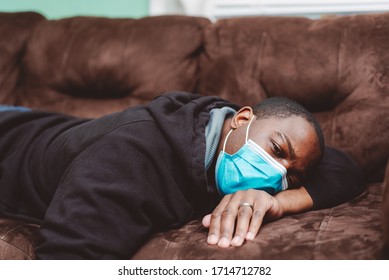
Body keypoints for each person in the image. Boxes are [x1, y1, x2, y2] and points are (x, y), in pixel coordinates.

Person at [0, 92, 364, 259]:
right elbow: (69, 260)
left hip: (51, 126)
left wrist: (278, 200)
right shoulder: (130, 159)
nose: (276, 172)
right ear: (241, 118)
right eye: (277, 150)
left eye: (292, 175)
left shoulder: (224, 132)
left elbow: (346, 168)